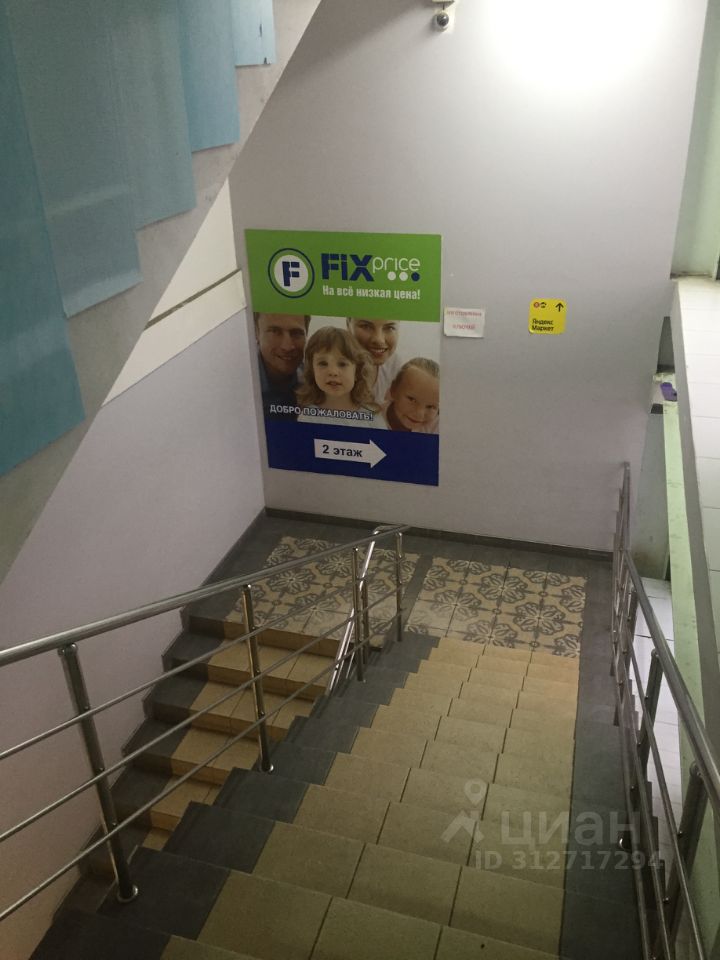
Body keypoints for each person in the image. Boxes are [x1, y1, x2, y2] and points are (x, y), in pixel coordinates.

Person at [296, 326, 387, 428]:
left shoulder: (372, 415)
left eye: (342, 364)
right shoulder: (308, 417)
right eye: (323, 363)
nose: (333, 372)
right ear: (312, 370)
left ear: (357, 372)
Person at [255, 312, 309, 418]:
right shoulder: (237, 385)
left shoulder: (315, 386)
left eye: (296, 333)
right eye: (275, 331)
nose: (287, 347)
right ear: (256, 332)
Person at [346, 317, 402, 405]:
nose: (379, 340)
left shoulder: (394, 364)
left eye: (389, 327)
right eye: (366, 326)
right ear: (348, 325)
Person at [385, 358, 440, 433]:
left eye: (430, 407)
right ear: (393, 389)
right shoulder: (373, 417)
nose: (419, 414)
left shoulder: (438, 426)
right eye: (412, 399)